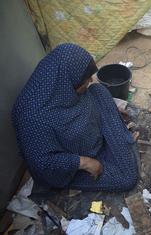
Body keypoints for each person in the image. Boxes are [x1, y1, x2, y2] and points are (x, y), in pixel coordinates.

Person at [12, 43, 139, 191]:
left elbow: (91, 91)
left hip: (85, 127)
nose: (90, 81)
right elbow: (43, 163)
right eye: (85, 79)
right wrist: (84, 162)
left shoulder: (57, 83)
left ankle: (118, 142)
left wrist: (111, 111)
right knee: (127, 179)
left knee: (98, 90)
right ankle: (116, 148)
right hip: (72, 160)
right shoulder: (32, 118)